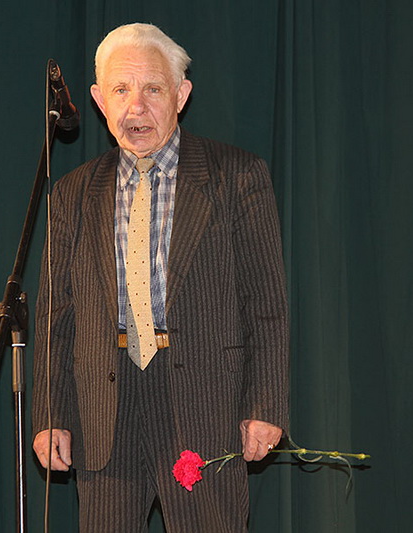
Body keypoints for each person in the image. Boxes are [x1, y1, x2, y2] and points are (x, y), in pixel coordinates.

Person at [31, 22, 289, 531]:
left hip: (206, 406)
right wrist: (51, 415)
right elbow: (55, 316)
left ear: (181, 95)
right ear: (99, 101)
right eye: (120, 90)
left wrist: (265, 404)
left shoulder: (237, 177)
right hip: (105, 410)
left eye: (152, 89)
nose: (136, 107)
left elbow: (266, 305)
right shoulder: (72, 193)